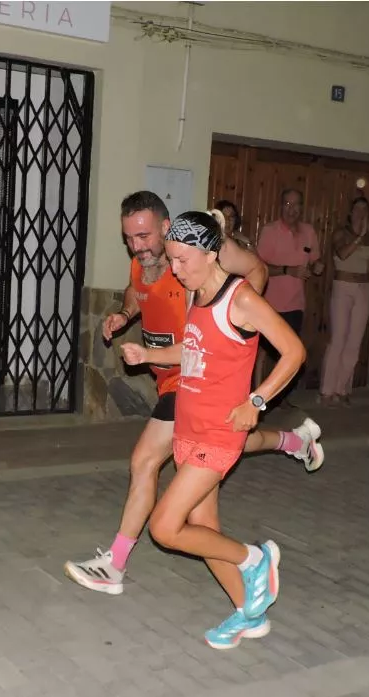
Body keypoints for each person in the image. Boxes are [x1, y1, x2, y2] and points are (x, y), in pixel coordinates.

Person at [64, 192, 323, 597]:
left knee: (146, 461)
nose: (137, 246)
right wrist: (125, 315)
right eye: (129, 238)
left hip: (190, 381)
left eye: (144, 235)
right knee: (208, 507)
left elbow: (253, 273)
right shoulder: (145, 263)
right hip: (180, 380)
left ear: (166, 229)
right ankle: (248, 607)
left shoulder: (197, 267)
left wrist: (239, 319)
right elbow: (137, 292)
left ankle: (115, 563)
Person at [121, 210, 305, 649]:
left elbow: (294, 351)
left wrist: (256, 402)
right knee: (205, 534)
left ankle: (256, 558)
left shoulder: (240, 299)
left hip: (219, 434)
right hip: (189, 427)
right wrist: (147, 354)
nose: (176, 269)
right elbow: (193, 350)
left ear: (211, 252)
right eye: (172, 259)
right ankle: (250, 613)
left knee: (165, 527)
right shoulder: (195, 295)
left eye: (183, 260)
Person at [253, 188, 324, 398]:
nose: (292, 209)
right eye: (287, 204)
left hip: (295, 303)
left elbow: (316, 260)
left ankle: (280, 397)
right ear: (281, 206)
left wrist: (318, 266)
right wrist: (287, 270)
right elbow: (260, 266)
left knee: (289, 352)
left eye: (296, 205)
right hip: (269, 302)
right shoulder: (270, 231)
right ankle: (257, 396)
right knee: (262, 353)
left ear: (302, 207)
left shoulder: (308, 232)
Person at [319, 197, 369, 406]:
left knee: (355, 341)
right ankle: (327, 390)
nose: (361, 213)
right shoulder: (341, 234)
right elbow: (342, 254)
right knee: (338, 339)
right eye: (358, 209)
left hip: (363, 289)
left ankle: (342, 388)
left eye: (365, 209)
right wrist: (359, 237)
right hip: (343, 287)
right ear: (350, 213)